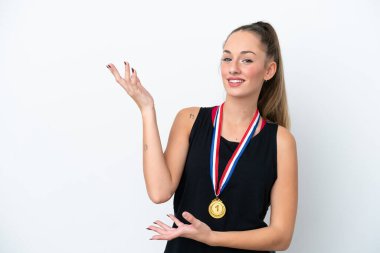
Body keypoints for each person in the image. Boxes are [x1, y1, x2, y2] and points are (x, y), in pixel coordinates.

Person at [106, 21, 298, 253]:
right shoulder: (189, 120)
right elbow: (159, 192)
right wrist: (147, 109)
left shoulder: (281, 141)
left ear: (269, 70)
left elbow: (281, 236)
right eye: (227, 58)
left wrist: (212, 238)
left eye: (246, 59)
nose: (233, 68)